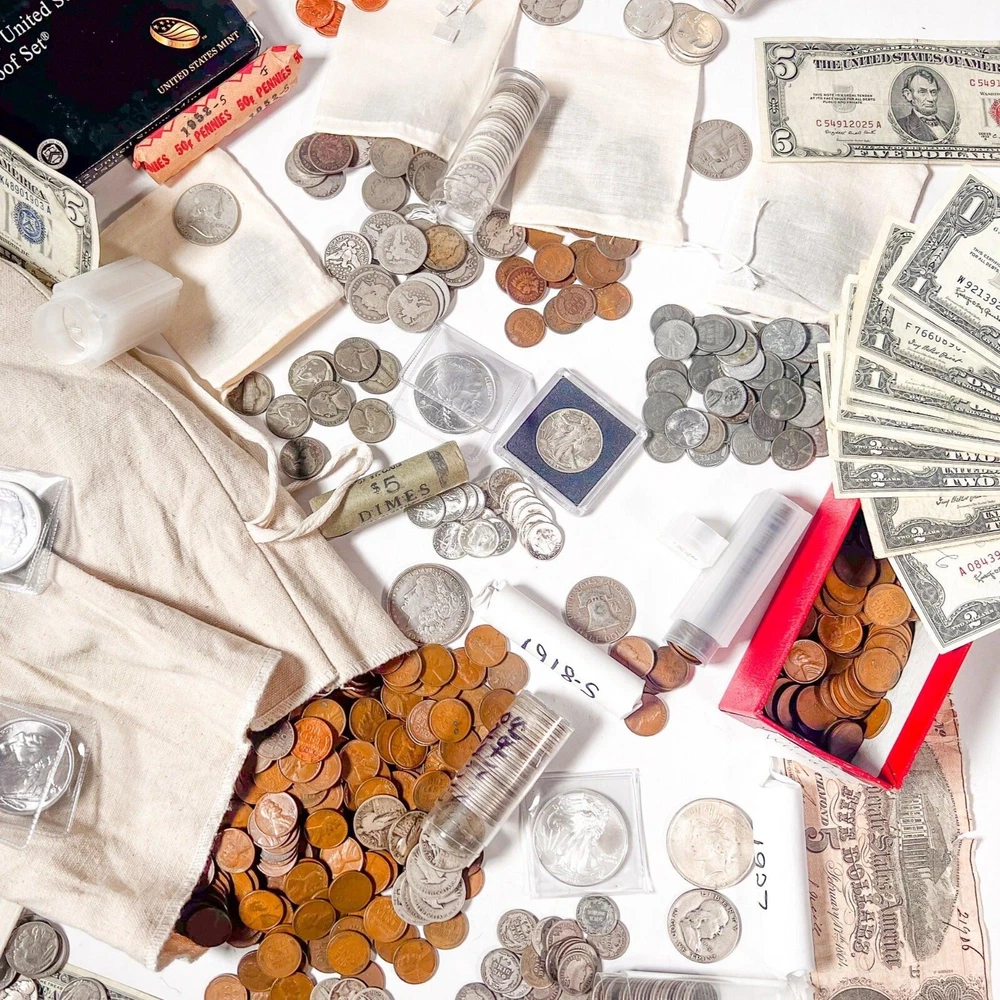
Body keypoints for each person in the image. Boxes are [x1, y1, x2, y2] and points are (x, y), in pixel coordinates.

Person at [897, 69, 951, 142]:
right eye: (922, 92)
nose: (931, 99)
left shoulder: (947, 127)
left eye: (933, 92)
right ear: (908, 95)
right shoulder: (901, 126)